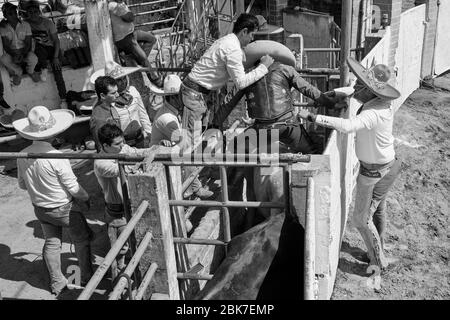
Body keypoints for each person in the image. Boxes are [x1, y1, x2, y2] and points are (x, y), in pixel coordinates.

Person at [299, 57, 402, 271]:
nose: (355, 88)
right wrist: (336, 93)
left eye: (360, 85)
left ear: (371, 91)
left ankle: (378, 261)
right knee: (377, 210)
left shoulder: (374, 112)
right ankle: (378, 249)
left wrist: (312, 116)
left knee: (360, 220)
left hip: (374, 171)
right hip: (386, 166)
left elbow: (347, 126)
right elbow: (353, 90)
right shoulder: (379, 102)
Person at [13, 105, 93, 295]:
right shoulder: (57, 156)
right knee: (81, 240)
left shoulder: (22, 155)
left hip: (40, 208)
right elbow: (73, 188)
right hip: (64, 207)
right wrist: (86, 197)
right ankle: (85, 277)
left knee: (52, 243)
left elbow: (23, 185)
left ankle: (57, 283)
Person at [180, 13, 274, 151]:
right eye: (252, 35)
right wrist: (263, 67)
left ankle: (194, 168)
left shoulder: (228, 41)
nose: (252, 39)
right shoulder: (233, 49)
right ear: (244, 32)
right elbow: (241, 82)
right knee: (190, 142)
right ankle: (187, 170)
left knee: (197, 139)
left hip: (196, 93)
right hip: (195, 95)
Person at [94, 122, 154, 275]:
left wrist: (156, 148)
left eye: (122, 141)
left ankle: (129, 273)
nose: (123, 146)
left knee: (132, 242)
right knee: (120, 249)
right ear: (105, 146)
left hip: (129, 205)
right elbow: (125, 167)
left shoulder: (122, 149)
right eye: (117, 144)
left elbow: (137, 152)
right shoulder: (101, 163)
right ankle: (118, 280)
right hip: (117, 211)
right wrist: (144, 157)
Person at [149, 74, 214, 199]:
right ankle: (195, 188)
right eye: (183, 96)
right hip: (164, 159)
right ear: (174, 97)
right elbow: (185, 144)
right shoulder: (167, 118)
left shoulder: (176, 111)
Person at [90, 63, 152, 150]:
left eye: (124, 78)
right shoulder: (104, 103)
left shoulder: (133, 91)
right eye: (119, 80)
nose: (123, 82)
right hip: (120, 143)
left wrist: (149, 133)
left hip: (139, 138)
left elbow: (142, 114)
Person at [24, 1, 68, 108]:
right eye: (30, 12)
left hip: (51, 50)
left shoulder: (48, 23)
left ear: (39, 12)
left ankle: (63, 99)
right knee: (38, 47)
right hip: (37, 53)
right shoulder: (25, 23)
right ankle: (43, 68)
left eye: (35, 11)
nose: (33, 14)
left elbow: (56, 41)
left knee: (58, 73)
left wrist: (56, 57)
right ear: (27, 13)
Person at [107, 0, 161, 86]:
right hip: (124, 38)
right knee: (143, 57)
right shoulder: (113, 5)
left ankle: (137, 60)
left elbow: (129, 16)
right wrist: (127, 11)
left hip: (131, 33)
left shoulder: (119, 4)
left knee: (151, 39)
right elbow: (130, 17)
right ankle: (155, 79)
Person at [0, 2, 39, 86]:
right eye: (10, 13)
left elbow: (28, 43)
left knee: (33, 58)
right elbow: (6, 46)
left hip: (24, 50)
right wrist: (14, 55)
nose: (13, 15)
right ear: (5, 15)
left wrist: (22, 54)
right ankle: (18, 72)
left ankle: (31, 71)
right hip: (12, 52)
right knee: (3, 58)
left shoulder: (25, 25)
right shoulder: (3, 27)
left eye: (15, 12)